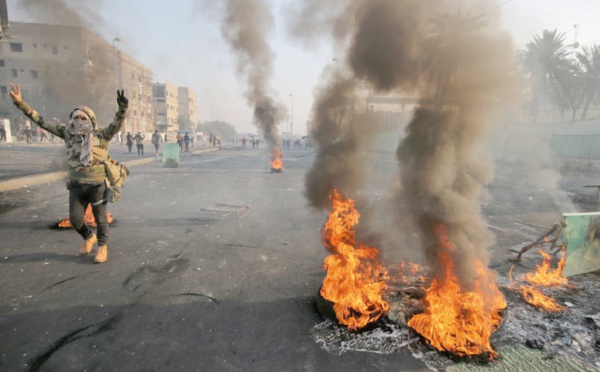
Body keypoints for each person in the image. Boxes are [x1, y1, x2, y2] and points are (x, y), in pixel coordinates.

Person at [8, 83, 128, 263]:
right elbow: (42, 121)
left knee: (101, 219)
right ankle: (89, 237)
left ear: (91, 120)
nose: (79, 120)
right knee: (75, 219)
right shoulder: (68, 134)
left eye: (83, 117)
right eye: (76, 117)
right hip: (76, 186)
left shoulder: (102, 135)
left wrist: (122, 108)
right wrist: (20, 103)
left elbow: (117, 124)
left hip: (97, 186)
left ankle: (102, 247)